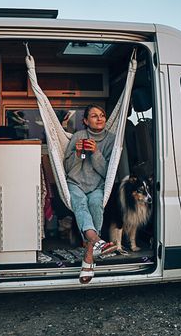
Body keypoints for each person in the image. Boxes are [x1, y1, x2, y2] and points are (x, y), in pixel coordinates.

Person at [64, 104, 117, 284]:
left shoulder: (111, 140)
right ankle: (97, 242)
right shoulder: (78, 136)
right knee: (80, 203)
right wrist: (78, 154)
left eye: (102, 115)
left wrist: (95, 152)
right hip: (76, 183)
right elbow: (68, 169)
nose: (100, 118)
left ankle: (90, 252)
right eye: (94, 116)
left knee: (95, 203)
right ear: (86, 121)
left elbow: (107, 172)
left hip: (98, 185)